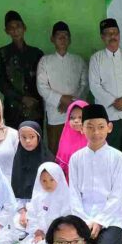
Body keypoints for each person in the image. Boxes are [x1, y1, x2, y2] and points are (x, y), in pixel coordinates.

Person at [69, 105, 122, 244]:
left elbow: (117, 195)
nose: (96, 133)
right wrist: (84, 222)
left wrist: (99, 221)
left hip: (110, 219)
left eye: (101, 127)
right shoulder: (76, 158)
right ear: (82, 129)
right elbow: (73, 194)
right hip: (83, 218)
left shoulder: (117, 157)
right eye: (90, 127)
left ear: (109, 127)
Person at [89, 18, 122, 153]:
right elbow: (94, 85)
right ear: (102, 37)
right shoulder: (96, 58)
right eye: (108, 33)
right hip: (108, 116)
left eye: (115, 33)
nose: (113, 36)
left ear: (119, 35)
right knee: (110, 155)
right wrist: (113, 101)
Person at [37, 21, 89, 153]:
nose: (62, 38)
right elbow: (42, 86)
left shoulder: (78, 60)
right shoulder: (45, 61)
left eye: (65, 35)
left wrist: (71, 104)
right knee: (56, 149)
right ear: (52, 39)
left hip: (76, 113)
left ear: (70, 39)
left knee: (78, 150)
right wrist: (60, 99)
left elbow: (84, 85)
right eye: (58, 36)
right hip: (55, 112)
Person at [21, 162, 83, 244]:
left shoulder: (66, 197)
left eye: (51, 180)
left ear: (58, 178)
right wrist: (38, 231)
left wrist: (51, 235)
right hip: (41, 234)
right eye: (44, 181)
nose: (48, 184)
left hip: (60, 234)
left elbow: (66, 220)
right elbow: (32, 216)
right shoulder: (38, 197)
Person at [0, 10, 44, 129]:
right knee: (14, 143)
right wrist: (22, 98)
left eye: (18, 26)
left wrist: (33, 101)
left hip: (35, 108)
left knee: (34, 142)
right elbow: (1, 83)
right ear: (6, 31)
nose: (15, 30)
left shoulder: (36, 53)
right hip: (13, 108)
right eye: (11, 28)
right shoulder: (2, 54)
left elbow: (42, 81)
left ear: (24, 28)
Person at [11, 121, 54, 237]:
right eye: (23, 138)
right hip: (22, 209)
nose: (28, 141)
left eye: (32, 137)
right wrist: (23, 212)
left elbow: (51, 193)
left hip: (44, 208)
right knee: (15, 230)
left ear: (38, 137)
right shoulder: (17, 160)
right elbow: (15, 192)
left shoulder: (48, 161)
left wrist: (33, 213)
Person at [55, 100, 88, 179]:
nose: (76, 121)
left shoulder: (95, 139)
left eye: (80, 117)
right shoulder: (65, 139)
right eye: (72, 118)